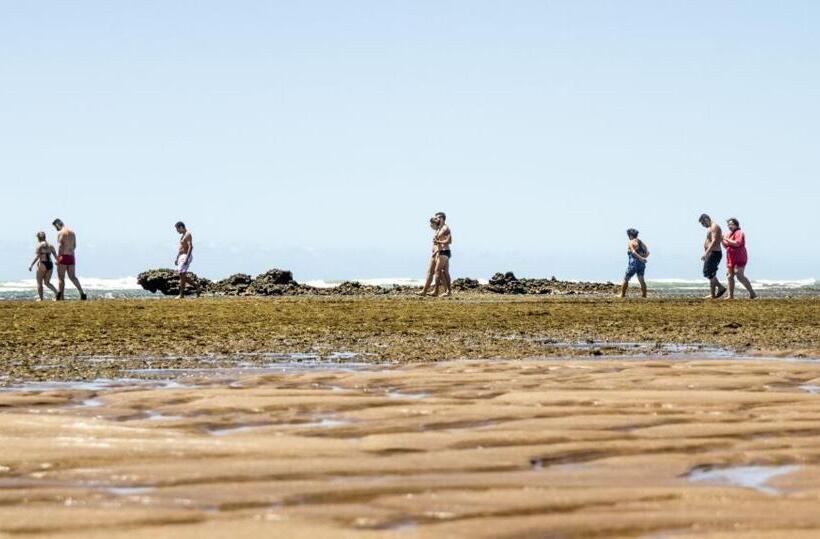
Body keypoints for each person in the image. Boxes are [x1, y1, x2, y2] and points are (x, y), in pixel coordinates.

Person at [52, 219, 87, 301]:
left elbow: (61, 246)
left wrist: (58, 258)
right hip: (71, 257)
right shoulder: (72, 233)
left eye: (55, 227)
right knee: (73, 277)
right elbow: (74, 246)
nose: (55, 229)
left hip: (63, 257)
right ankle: (82, 293)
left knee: (61, 278)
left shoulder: (61, 233)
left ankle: (61, 297)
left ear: (57, 224)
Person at [722, 218, 757, 299]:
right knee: (729, 276)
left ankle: (752, 293)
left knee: (739, 275)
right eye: (728, 225)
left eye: (731, 224)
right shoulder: (728, 234)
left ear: (736, 225)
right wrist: (721, 240)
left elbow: (737, 243)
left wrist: (726, 239)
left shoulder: (739, 233)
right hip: (730, 257)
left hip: (740, 257)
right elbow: (726, 246)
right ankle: (730, 296)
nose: (729, 226)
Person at [698, 214, 727, 299]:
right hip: (711, 253)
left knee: (707, 273)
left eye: (703, 223)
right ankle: (713, 295)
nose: (703, 225)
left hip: (714, 253)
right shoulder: (710, 228)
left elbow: (714, 241)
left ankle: (721, 287)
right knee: (711, 274)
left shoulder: (714, 226)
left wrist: (706, 253)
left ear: (706, 219)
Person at [28, 232, 59, 301]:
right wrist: (58, 262)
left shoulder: (39, 245)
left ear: (38, 238)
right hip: (50, 264)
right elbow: (56, 256)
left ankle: (41, 299)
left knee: (39, 283)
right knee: (47, 282)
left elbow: (37, 256)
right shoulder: (50, 245)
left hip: (42, 264)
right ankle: (57, 293)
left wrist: (31, 265)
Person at [620, 228, 650, 298]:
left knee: (626, 278)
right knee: (641, 279)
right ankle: (644, 295)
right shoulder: (641, 243)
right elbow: (648, 253)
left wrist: (640, 258)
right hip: (642, 264)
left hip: (634, 263)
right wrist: (643, 258)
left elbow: (633, 252)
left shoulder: (631, 242)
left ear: (630, 235)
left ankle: (622, 295)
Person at [175, 221, 195, 298]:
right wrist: (177, 258)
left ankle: (181, 294)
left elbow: (190, 246)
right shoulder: (182, 235)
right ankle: (197, 286)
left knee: (182, 274)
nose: (177, 231)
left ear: (181, 227)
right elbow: (181, 248)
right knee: (181, 275)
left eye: (177, 229)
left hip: (186, 256)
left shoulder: (187, 234)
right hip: (181, 256)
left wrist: (187, 258)